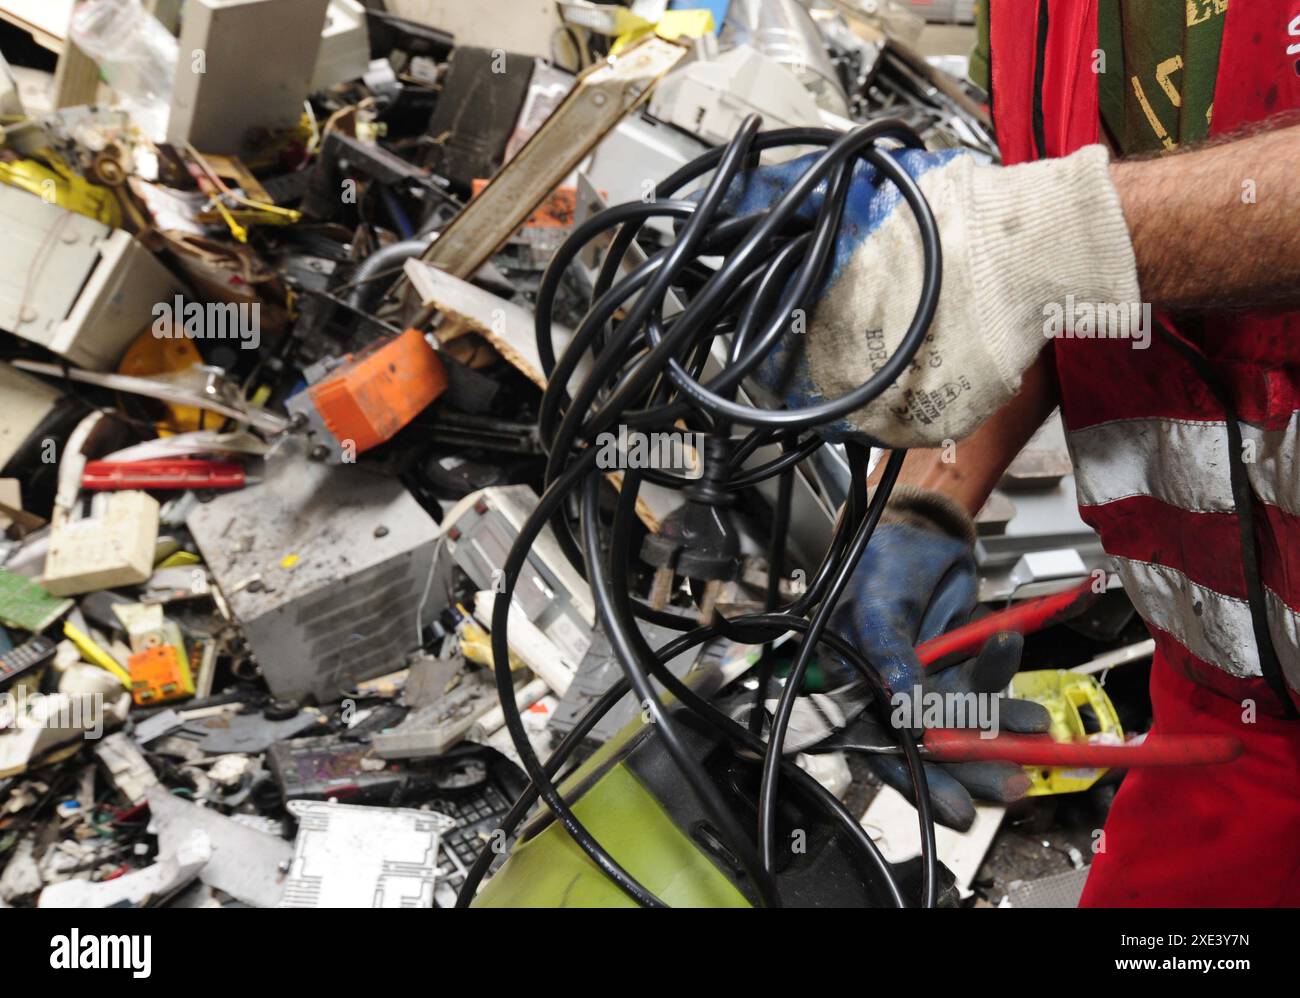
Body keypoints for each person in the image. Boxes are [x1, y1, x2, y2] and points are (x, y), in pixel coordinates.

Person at [735, 0, 1300, 905]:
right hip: (1231, 711)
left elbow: (1060, 240)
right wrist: (931, 498)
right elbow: (1054, 277)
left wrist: (1038, 239)